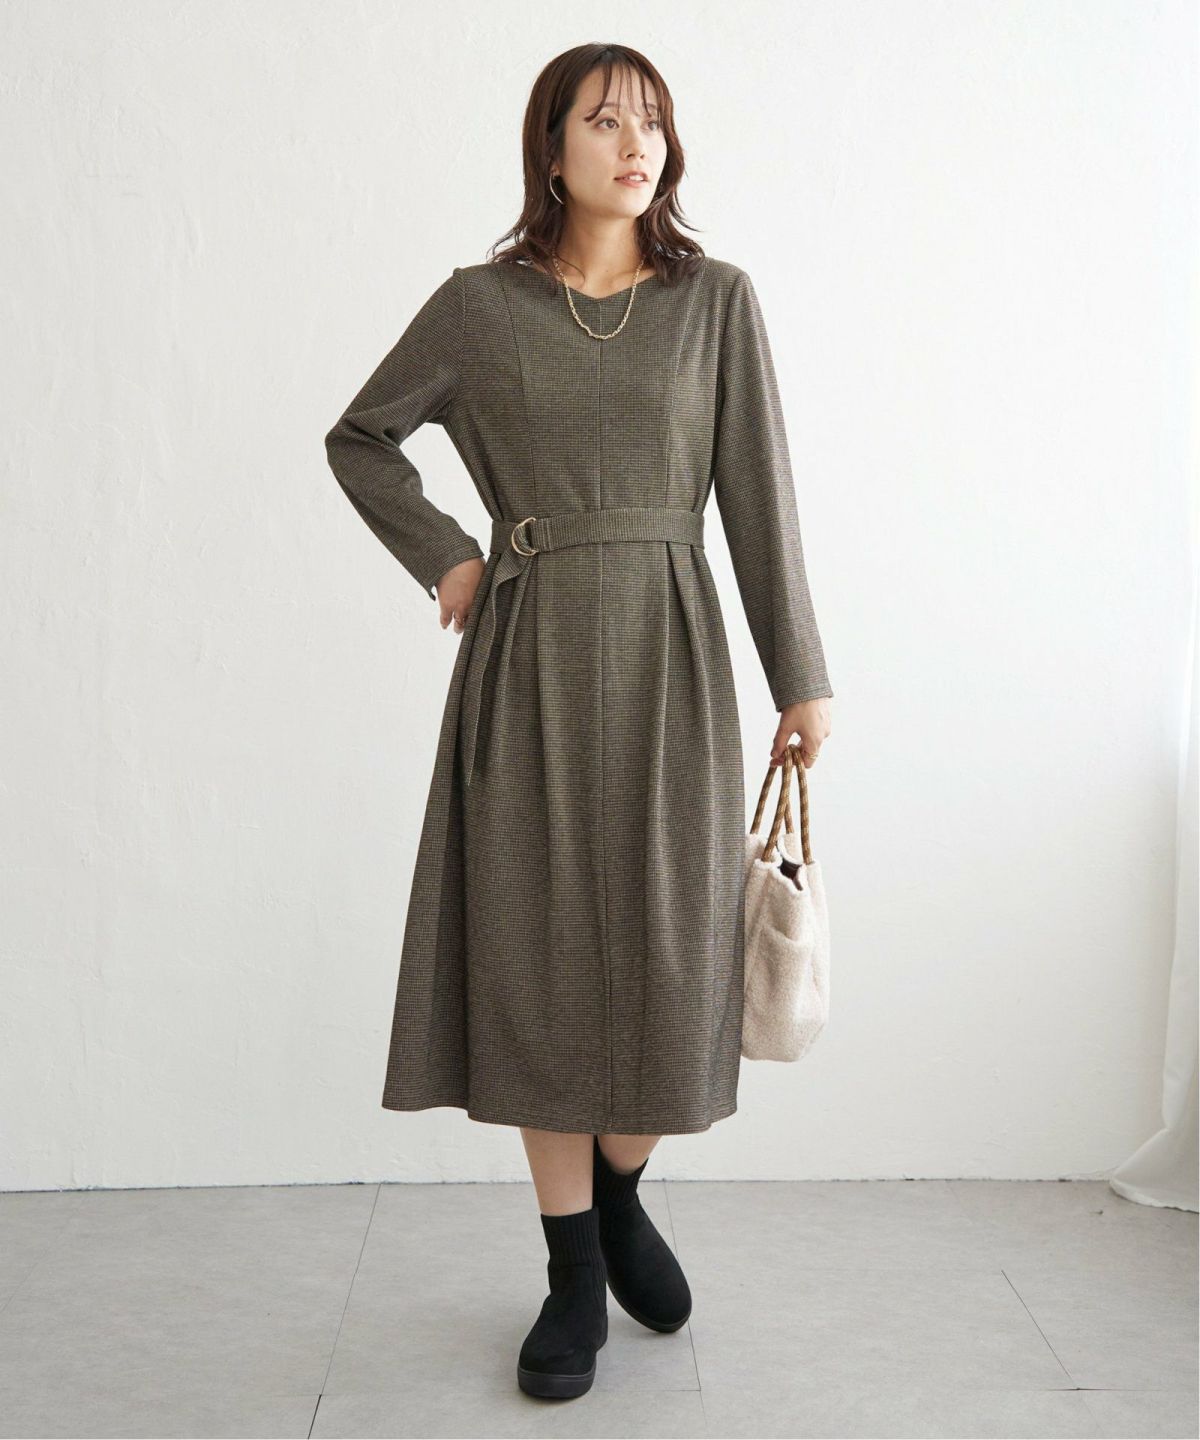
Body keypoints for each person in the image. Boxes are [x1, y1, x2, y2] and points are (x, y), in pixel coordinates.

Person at [323, 43, 834, 1401]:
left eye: (652, 121)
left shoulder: (715, 302)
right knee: (539, 958)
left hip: (674, 654)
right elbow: (360, 437)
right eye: (604, 121)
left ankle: (618, 1195)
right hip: (530, 655)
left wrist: (802, 676)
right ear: (551, 150)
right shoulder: (479, 307)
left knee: (673, 963)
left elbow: (761, 503)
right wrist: (448, 554)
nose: (635, 143)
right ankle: (569, 1273)